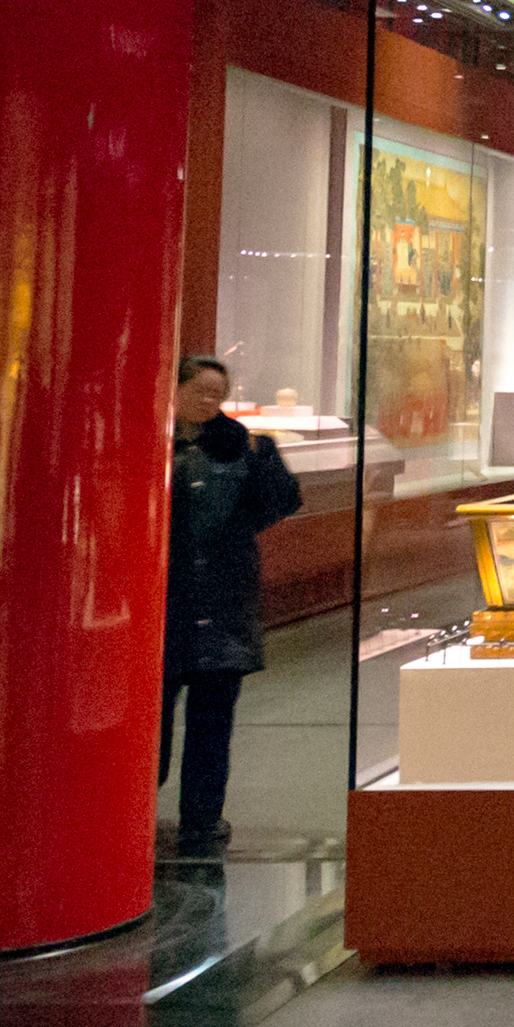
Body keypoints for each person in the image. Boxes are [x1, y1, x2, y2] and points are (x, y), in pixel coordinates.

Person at [163, 354, 301, 857]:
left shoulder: (246, 446)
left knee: (212, 720)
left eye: (217, 394)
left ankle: (201, 819)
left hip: (223, 601)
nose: (209, 402)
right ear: (174, 390)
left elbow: (282, 500)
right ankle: (138, 808)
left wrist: (231, 535)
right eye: (200, 391)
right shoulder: (157, 441)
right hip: (171, 604)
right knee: (155, 718)